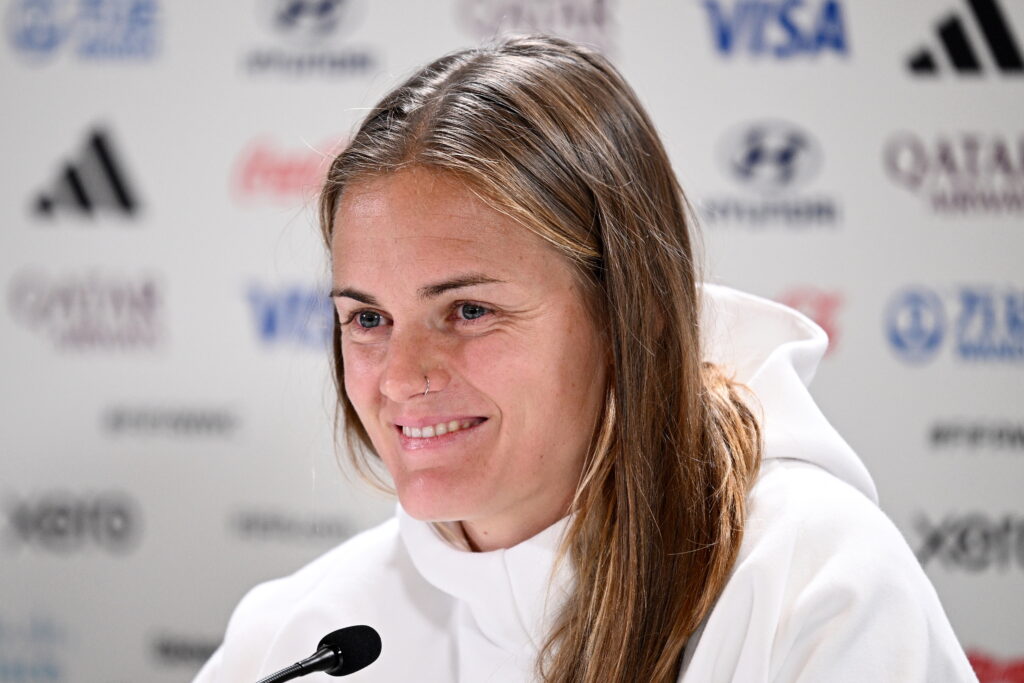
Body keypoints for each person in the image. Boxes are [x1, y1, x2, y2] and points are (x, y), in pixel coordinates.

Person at [195, 36, 977, 682]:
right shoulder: (300, 638)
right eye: (368, 317)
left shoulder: (814, 583)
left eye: (468, 310)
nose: (401, 376)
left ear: (626, 314)